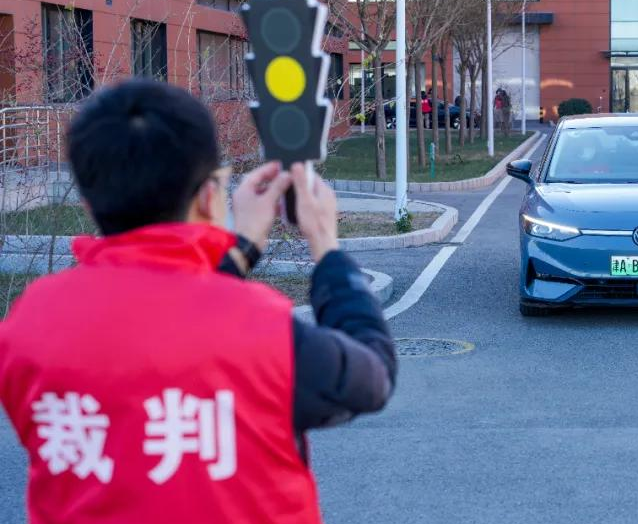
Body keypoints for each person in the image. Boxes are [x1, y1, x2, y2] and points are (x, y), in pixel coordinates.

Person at [0, 80, 396, 524]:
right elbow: (373, 374)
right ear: (210, 196)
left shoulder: (27, 325)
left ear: (90, 204)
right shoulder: (263, 330)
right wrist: (325, 243)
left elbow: (157, 321)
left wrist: (244, 246)